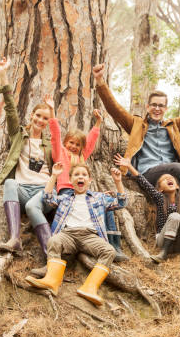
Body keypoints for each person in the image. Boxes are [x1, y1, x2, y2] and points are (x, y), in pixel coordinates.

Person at [92, 63, 180, 252]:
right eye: (154, 105)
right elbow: (115, 108)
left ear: (166, 108)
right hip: (150, 176)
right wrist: (100, 81)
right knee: (178, 168)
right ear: (148, 107)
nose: (157, 108)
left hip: (173, 180)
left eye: (161, 106)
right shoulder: (136, 124)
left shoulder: (173, 126)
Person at [25, 162, 126, 306]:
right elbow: (47, 198)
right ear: (71, 180)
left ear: (90, 180)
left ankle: (90, 287)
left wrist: (118, 182)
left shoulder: (99, 197)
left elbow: (121, 203)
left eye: (84, 175)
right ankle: (52, 281)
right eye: (76, 175)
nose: (81, 177)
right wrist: (54, 176)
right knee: (54, 241)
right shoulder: (65, 198)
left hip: (90, 236)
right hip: (68, 235)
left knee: (109, 251)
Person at [46, 96, 127, 261]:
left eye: (77, 144)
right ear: (66, 142)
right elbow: (55, 135)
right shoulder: (60, 153)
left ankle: (114, 245)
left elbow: (90, 141)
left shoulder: (82, 157)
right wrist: (52, 111)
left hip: (84, 192)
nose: (74, 146)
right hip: (68, 191)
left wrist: (98, 123)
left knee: (107, 207)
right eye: (71, 143)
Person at [0, 57, 55, 256]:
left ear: (48, 122)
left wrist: (53, 111)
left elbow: (60, 145)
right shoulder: (19, 135)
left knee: (31, 206)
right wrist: (3, 73)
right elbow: (10, 108)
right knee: (10, 184)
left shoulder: (50, 143)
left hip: (44, 191)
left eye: (45, 118)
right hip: (22, 189)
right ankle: (14, 239)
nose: (40, 120)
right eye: (38, 116)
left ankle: (51, 252)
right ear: (32, 115)